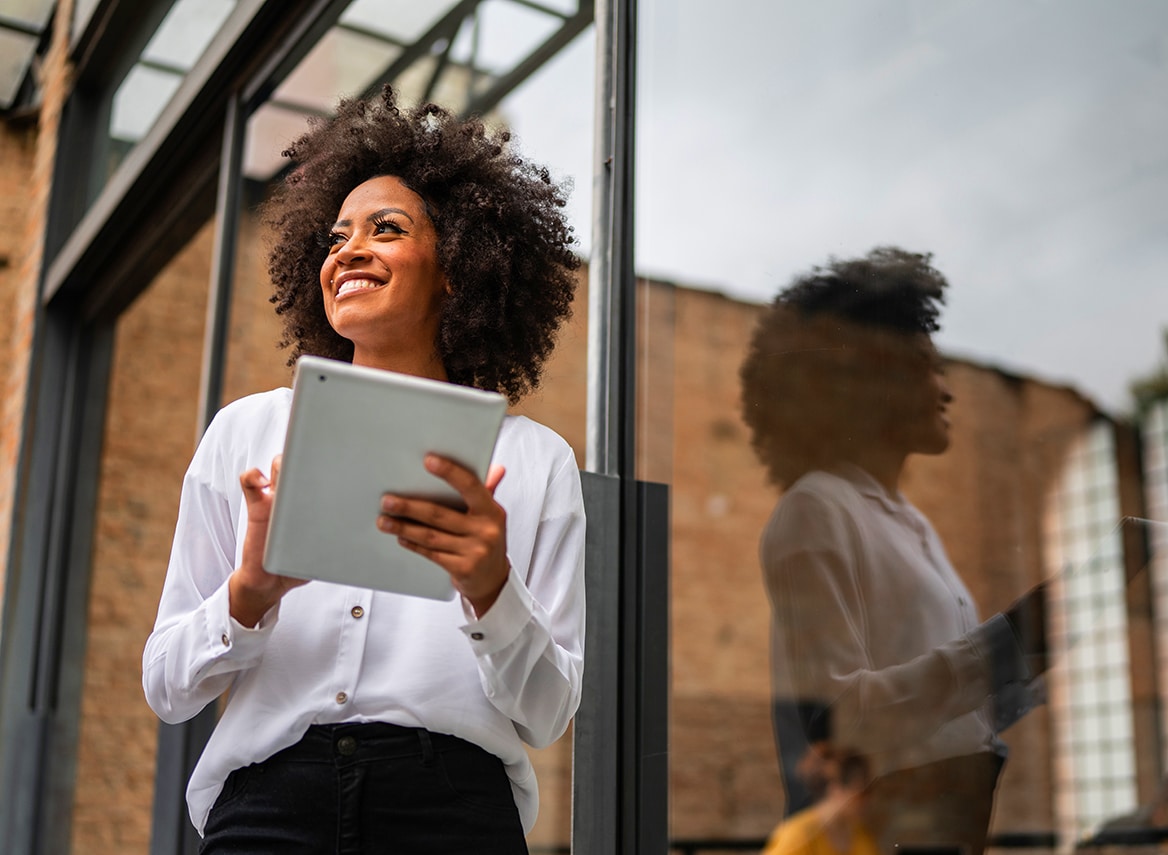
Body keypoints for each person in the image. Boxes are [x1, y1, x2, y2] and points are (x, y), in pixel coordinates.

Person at [143, 86, 585, 854]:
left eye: (386, 229)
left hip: (453, 814)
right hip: (267, 811)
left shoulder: (535, 460)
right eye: (337, 235)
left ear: (458, 266)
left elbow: (546, 714)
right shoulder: (243, 434)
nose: (348, 250)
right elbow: (167, 686)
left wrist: (491, 592)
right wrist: (247, 596)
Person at [739, 247, 1047, 855]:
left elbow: (942, 713)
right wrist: (1008, 644)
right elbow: (843, 719)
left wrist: (1048, 644)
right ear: (866, 382)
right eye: (924, 366)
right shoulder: (815, 511)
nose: (947, 391)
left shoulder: (914, 524)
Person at [761, 745, 879, 855]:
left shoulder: (860, 835)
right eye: (862, 792)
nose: (868, 800)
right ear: (836, 789)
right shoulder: (797, 836)